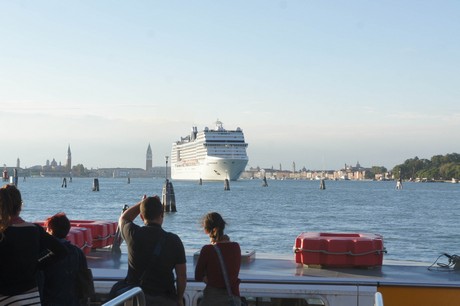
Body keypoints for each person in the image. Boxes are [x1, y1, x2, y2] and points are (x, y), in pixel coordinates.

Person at [0, 184, 67, 305]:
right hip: (30, 295)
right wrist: (36, 264)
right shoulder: (34, 230)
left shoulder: (3, 232)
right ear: (20, 205)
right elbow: (61, 251)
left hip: (4, 295)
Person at [118, 195, 186, 306]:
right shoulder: (174, 241)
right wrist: (179, 298)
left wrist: (142, 203)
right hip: (165, 299)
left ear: (141, 216)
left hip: (137, 298)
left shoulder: (133, 234)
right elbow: (182, 276)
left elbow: (124, 218)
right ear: (162, 214)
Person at [40, 212, 91, 306]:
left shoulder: (44, 253)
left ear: (50, 230)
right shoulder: (78, 252)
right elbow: (84, 278)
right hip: (72, 301)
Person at [195, 212, 242, 306]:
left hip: (212, 299)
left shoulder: (207, 250)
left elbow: (198, 276)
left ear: (207, 231)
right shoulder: (236, 247)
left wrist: (207, 278)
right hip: (233, 299)